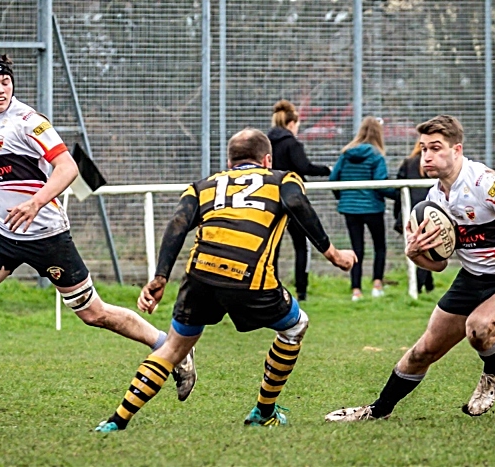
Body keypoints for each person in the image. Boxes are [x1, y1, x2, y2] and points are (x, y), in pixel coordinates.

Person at [0, 50, 195, 415]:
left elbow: (67, 167)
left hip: (47, 236)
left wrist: (36, 203)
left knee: (94, 314)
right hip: (2, 236)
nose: (0, 89)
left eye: (5, 81)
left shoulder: (29, 122)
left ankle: (172, 347)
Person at [94, 128, 357, 432]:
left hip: (199, 277)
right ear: (267, 159)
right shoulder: (283, 179)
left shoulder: (203, 186)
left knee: (174, 348)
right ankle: (263, 410)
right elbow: (297, 204)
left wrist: (160, 277)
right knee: (295, 326)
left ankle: (116, 421)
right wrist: (333, 254)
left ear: (229, 162)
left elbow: (178, 223)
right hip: (250, 278)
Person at [325, 115, 495, 422]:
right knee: (422, 351)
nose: (426, 155)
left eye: (436, 148)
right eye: (423, 147)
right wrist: (415, 254)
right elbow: (440, 265)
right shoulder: (435, 198)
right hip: (471, 278)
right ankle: (376, 412)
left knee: (478, 328)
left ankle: (493, 371)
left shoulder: (486, 183)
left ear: (457, 150)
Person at [268, 99, 331, 301]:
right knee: (301, 245)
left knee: (272, 247)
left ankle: (271, 288)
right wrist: (327, 170)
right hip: (292, 200)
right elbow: (303, 166)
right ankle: (301, 291)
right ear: (292, 123)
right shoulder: (291, 143)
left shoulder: (266, 143)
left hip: (270, 198)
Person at [329, 116, 395, 301]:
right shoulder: (376, 155)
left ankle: (356, 290)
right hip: (372, 207)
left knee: (356, 249)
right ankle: (377, 284)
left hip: (350, 209)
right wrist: (396, 194)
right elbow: (380, 183)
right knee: (379, 246)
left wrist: (343, 198)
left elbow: (334, 179)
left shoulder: (346, 154)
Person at [393, 140, 434, 293]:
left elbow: (399, 192)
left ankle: (424, 285)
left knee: (422, 249)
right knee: (427, 249)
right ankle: (419, 286)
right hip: (430, 212)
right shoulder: (436, 165)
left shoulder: (408, 163)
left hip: (411, 213)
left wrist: (398, 215)